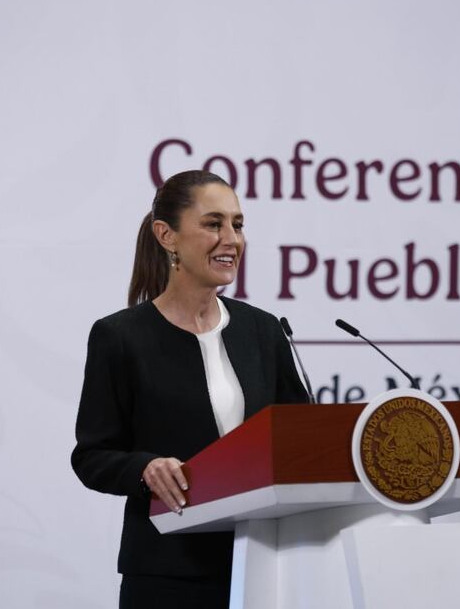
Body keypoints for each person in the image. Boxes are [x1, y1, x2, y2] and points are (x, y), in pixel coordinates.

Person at [71, 170, 309, 608]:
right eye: (213, 224)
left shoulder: (263, 330)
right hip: (169, 576)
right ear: (167, 236)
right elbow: (91, 456)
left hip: (265, 567)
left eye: (238, 225)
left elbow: (300, 442)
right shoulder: (120, 337)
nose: (232, 239)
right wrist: (145, 469)